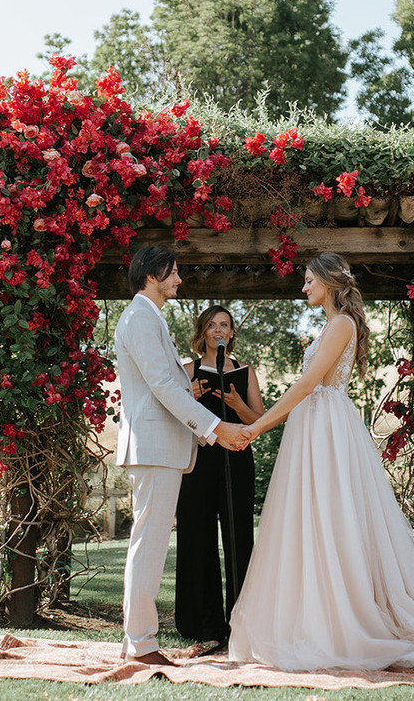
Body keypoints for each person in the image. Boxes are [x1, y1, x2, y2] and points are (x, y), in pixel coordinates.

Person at [229, 252, 414, 674]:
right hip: (315, 426)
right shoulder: (333, 325)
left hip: (326, 427)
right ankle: (315, 614)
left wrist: (258, 429)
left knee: (333, 518)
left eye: (309, 280)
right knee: (311, 519)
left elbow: (309, 384)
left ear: (329, 282)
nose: (304, 287)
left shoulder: (341, 324)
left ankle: (344, 620)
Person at [114, 247, 248, 666]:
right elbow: (162, 387)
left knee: (149, 545)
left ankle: (136, 640)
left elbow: (165, 386)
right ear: (152, 275)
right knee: (148, 545)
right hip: (153, 450)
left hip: (163, 449)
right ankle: (140, 644)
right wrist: (215, 427)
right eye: (173, 274)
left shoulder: (150, 317)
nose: (179, 280)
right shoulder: (139, 317)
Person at [175, 305, 264, 646]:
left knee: (239, 538)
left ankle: (240, 623)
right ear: (203, 331)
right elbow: (175, 418)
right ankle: (202, 624)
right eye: (211, 324)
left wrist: (238, 404)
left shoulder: (245, 371)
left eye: (224, 324)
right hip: (198, 460)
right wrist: (191, 399)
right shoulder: (186, 370)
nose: (218, 329)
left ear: (231, 333)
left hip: (237, 460)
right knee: (197, 537)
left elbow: (258, 420)